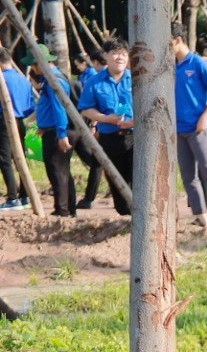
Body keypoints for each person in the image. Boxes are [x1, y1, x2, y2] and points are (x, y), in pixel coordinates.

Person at [171, 22, 207, 227]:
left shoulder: (198, 63)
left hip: (199, 129)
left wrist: (205, 118)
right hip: (179, 130)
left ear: (177, 40)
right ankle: (202, 218)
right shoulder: (171, 67)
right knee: (189, 177)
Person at [78, 37, 132, 216]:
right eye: (115, 53)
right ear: (105, 56)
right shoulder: (95, 82)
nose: (120, 58)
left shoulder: (137, 78)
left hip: (135, 137)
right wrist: (107, 119)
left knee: (139, 179)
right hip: (110, 138)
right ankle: (125, 216)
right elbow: (86, 109)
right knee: (117, 185)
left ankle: (140, 218)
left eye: (124, 54)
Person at [23, 45, 75, 217]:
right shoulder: (53, 78)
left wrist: (61, 135)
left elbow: (59, 109)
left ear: (39, 64)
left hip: (58, 132)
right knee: (63, 170)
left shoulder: (54, 81)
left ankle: (63, 210)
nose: (33, 69)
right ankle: (68, 208)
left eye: (33, 65)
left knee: (57, 171)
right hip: (52, 130)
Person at [0, 47, 35, 210]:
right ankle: (25, 195)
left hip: (3, 121)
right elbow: (30, 106)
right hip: (20, 120)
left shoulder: (2, 79)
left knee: (4, 158)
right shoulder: (23, 79)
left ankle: (12, 198)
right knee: (20, 157)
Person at [72, 50, 103, 209]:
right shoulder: (89, 76)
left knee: (97, 163)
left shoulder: (94, 77)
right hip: (95, 121)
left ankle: (89, 198)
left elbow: (95, 103)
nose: (77, 68)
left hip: (98, 122)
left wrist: (93, 124)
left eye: (78, 65)